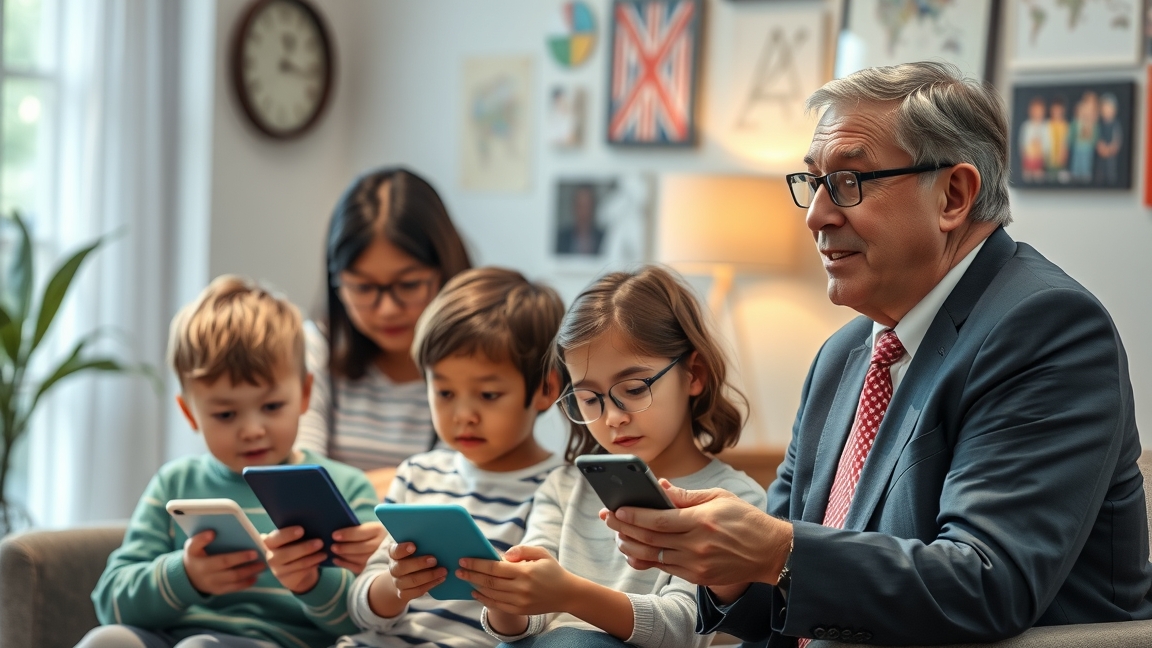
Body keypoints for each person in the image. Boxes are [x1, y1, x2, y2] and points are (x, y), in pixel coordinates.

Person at [603, 61, 1152, 645]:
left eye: (848, 182)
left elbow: (988, 582)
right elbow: (791, 590)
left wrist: (776, 550)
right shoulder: (842, 357)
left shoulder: (1047, 328)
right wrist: (723, 564)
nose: (816, 215)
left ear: (954, 195)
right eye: (814, 182)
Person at [459, 265, 767, 648]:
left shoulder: (734, 501)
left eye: (635, 389)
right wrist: (507, 599)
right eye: (589, 399)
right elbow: (528, 623)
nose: (613, 417)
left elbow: (689, 628)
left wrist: (569, 595)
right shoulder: (564, 487)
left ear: (694, 374)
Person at [79, 275, 385, 648]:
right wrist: (186, 576)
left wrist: (311, 583)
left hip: (279, 643)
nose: (252, 430)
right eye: (226, 414)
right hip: (169, 636)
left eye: (272, 407)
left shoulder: (345, 487)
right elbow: (110, 603)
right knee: (106, 640)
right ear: (190, 414)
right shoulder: (174, 483)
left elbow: (370, 623)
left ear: (305, 394)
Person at [334, 267, 566, 648]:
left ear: (545, 388)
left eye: (488, 395)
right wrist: (396, 585)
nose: (463, 415)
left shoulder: (559, 487)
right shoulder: (418, 473)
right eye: (444, 393)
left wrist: (504, 592)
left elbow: (536, 623)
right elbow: (362, 608)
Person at [296, 167, 472, 495]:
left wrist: (341, 489)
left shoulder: (483, 361)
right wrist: (414, 483)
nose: (388, 308)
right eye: (363, 287)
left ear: (444, 269)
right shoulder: (313, 349)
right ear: (337, 284)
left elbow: (469, 488)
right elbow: (301, 486)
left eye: (407, 284)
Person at [1095, 92, 1123, 186]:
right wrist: (1102, 148)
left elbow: (1116, 141)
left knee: (1111, 173)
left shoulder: (1116, 125)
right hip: (1101, 157)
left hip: (1111, 157)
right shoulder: (1099, 125)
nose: (1106, 110)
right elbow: (1097, 139)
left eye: (1109, 107)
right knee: (1100, 174)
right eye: (1104, 107)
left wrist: (1110, 149)